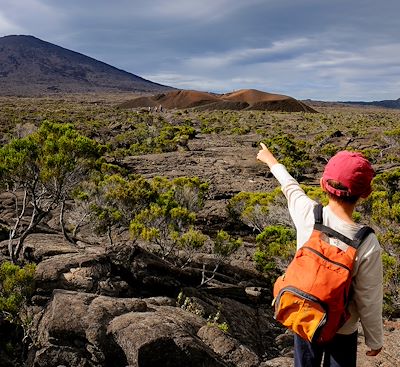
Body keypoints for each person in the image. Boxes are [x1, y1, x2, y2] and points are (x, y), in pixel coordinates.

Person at [256, 143, 383, 367]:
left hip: (305, 315)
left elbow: (290, 187)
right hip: (342, 328)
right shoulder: (366, 242)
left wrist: (271, 161)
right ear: (365, 194)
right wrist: (374, 339)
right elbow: (369, 298)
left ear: (324, 184)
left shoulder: (308, 213)